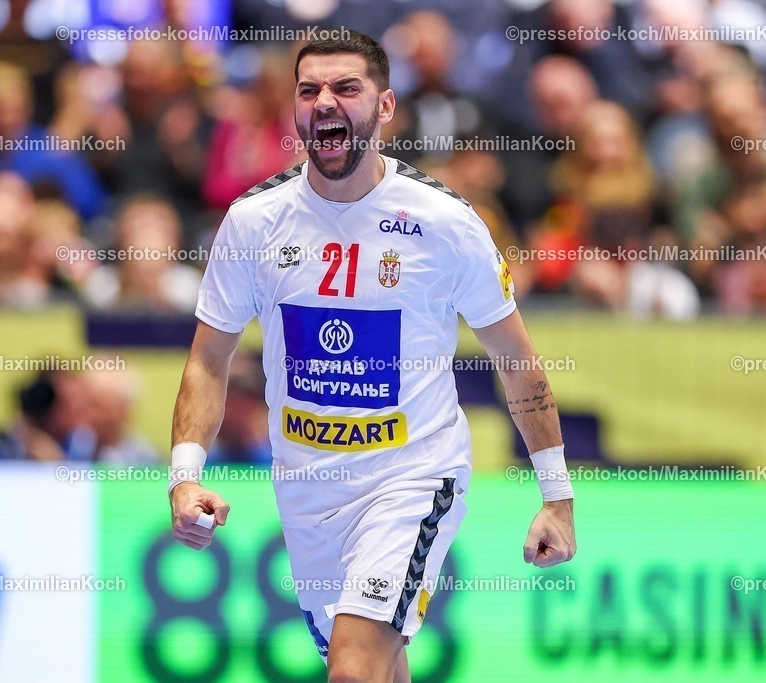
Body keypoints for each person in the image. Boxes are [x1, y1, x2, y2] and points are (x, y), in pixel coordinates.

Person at [167, 32, 577, 683]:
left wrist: (556, 495)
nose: (325, 102)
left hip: (415, 475)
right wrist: (184, 474)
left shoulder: (443, 223)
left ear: (385, 107)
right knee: (380, 668)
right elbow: (208, 357)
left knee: (354, 668)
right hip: (308, 488)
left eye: (346, 88)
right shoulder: (253, 222)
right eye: (309, 90)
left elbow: (517, 359)